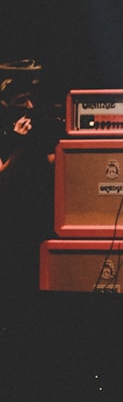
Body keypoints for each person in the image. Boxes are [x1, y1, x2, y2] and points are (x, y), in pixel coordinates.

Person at [0, 79, 58, 305]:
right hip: (9, 214)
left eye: (31, 99)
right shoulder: (8, 133)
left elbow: (51, 161)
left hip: (35, 208)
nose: (30, 106)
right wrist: (18, 142)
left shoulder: (36, 125)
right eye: (22, 101)